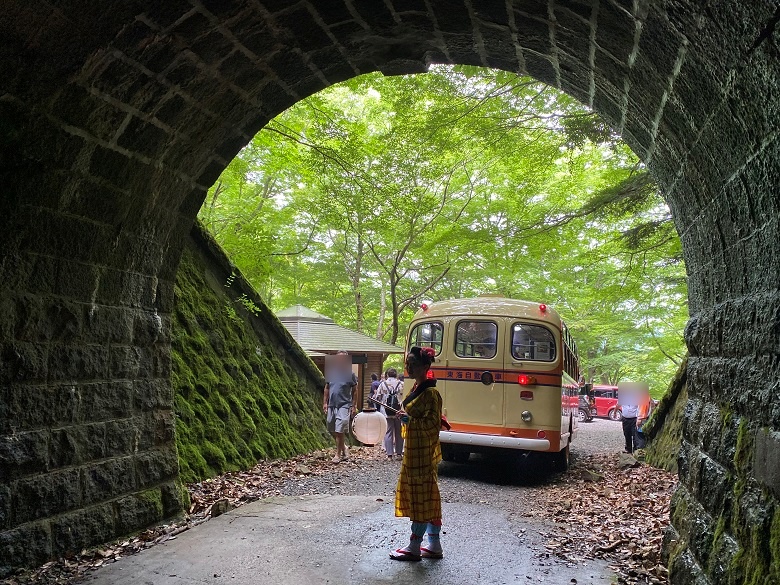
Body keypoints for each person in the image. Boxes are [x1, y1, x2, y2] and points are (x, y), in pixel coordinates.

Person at [390, 346, 443, 561]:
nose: (409, 367)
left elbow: (433, 424)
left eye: (413, 364)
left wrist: (410, 420)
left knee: (422, 497)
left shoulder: (431, 393)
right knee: (426, 496)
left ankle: (414, 546)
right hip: (413, 450)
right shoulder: (417, 387)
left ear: (426, 367)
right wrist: (407, 417)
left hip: (421, 453)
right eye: (407, 363)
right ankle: (434, 545)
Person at [322, 351, 358, 463]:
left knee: (339, 430)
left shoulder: (350, 374)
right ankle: (344, 447)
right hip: (332, 405)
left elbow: (355, 390)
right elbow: (327, 388)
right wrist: (325, 403)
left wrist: (353, 405)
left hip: (344, 405)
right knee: (331, 428)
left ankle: (337, 454)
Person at [376, 368, 404, 460]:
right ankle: (399, 454)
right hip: (399, 411)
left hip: (386, 411)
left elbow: (377, 397)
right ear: (396, 375)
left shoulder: (382, 384)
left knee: (388, 432)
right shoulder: (401, 384)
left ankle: (389, 455)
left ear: (387, 375)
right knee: (399, 432)